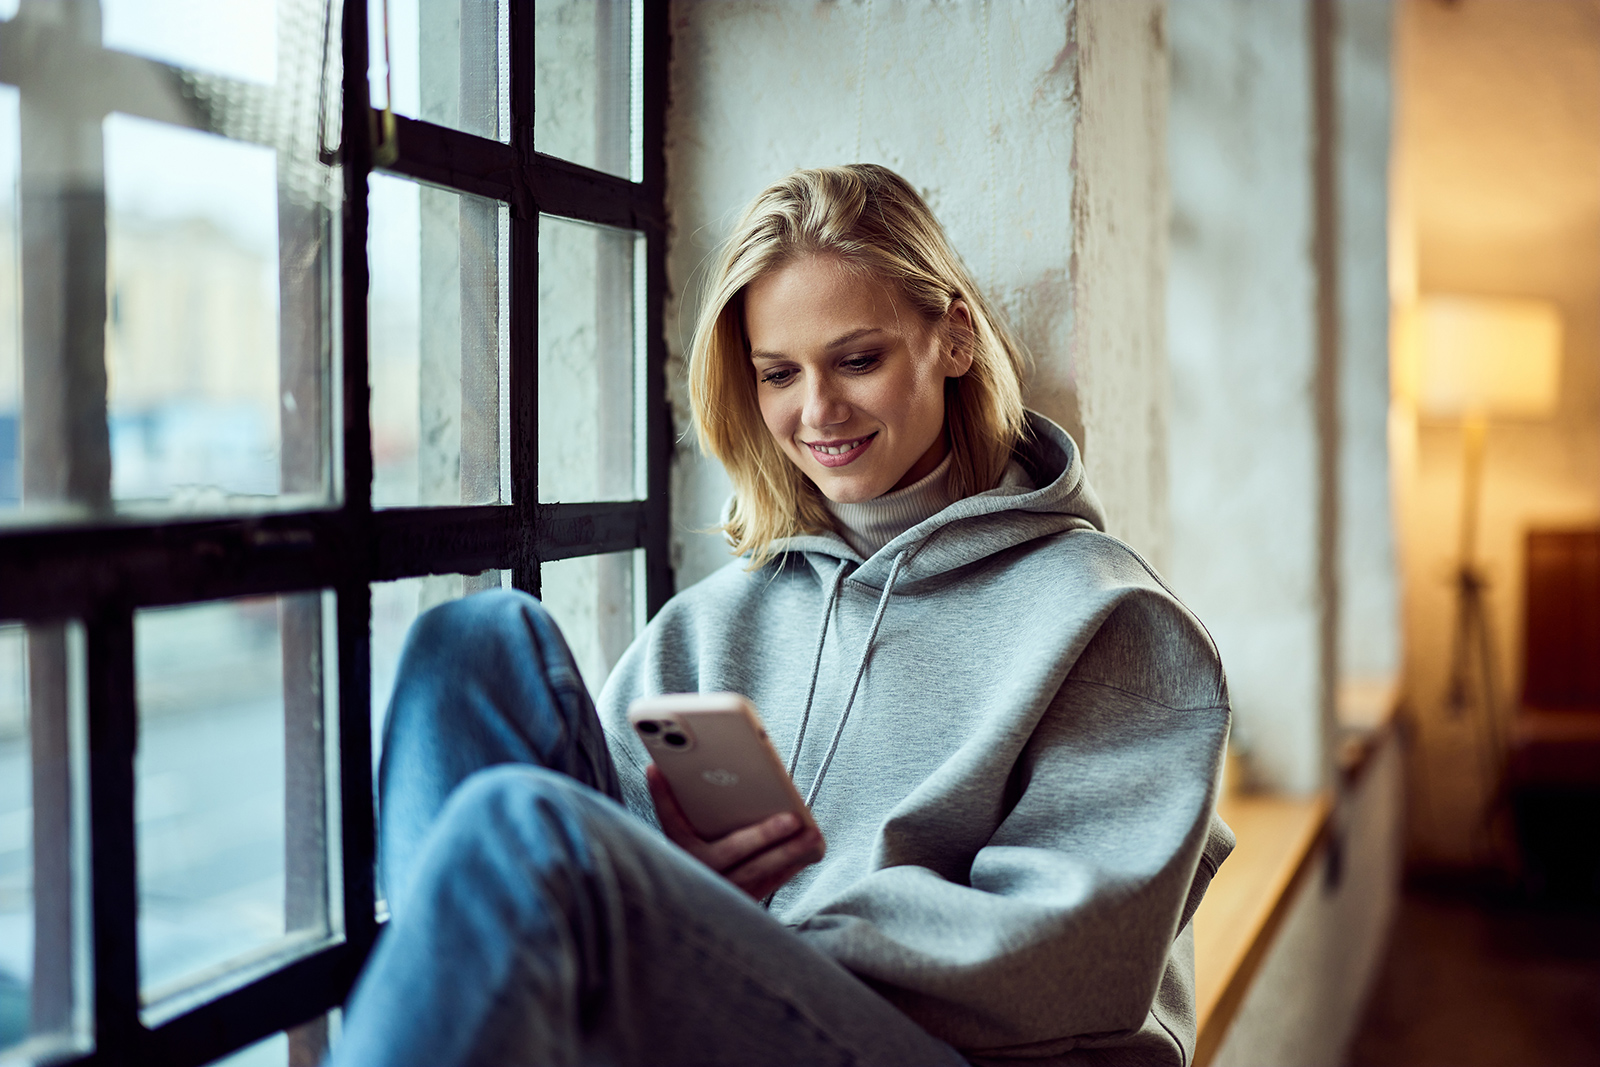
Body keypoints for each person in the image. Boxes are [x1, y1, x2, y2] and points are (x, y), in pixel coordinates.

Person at [330, 164, 1234, 1067]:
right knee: (469, 646)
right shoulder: (716, 625)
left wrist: (729, 927)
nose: (817, 410)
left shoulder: (1110, 618)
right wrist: (688, 896)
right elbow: (592, 878)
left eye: (857, 359)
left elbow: (1070, 968)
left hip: (957, 1053)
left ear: (954, 337)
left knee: (516, 823)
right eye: (777, 374)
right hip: (739, 1018)